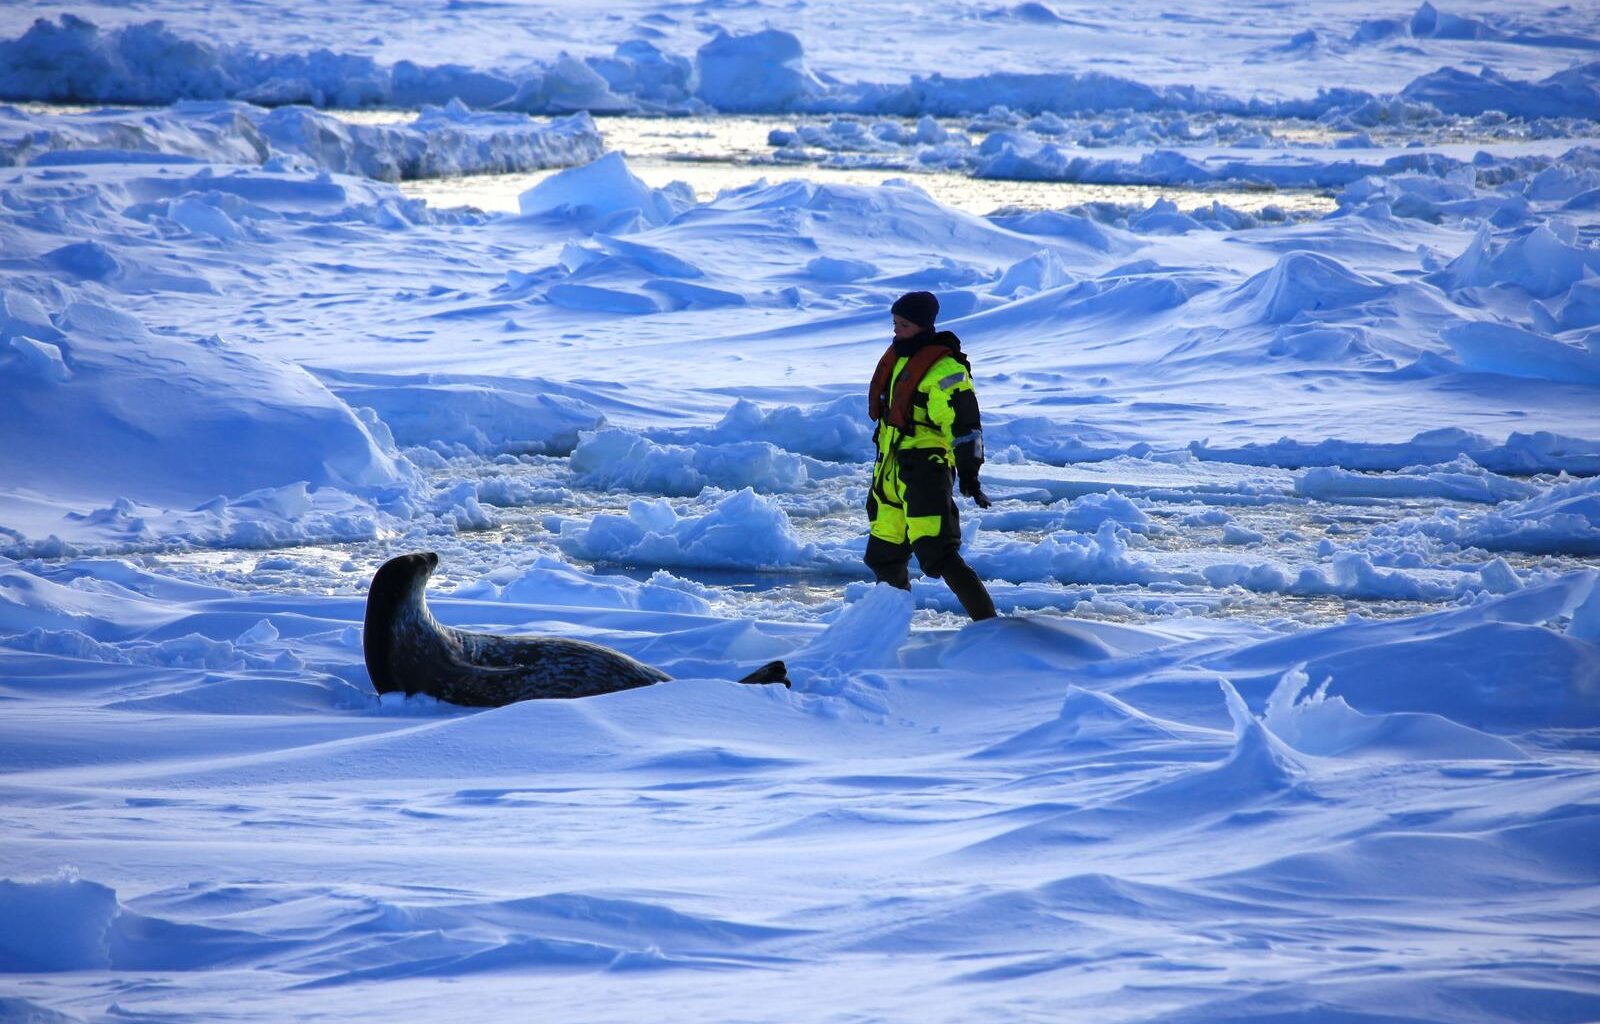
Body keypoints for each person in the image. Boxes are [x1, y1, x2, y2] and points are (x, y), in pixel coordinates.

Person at [864, 290, 997, 621]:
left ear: (923, 326)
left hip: (924, 470)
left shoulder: (945, 370)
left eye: (904, 325)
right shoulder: (898, 359)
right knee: (884, 555)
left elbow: (965, 425)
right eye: (894, 323)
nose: (896, 331)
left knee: (939, 554)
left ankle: (990, 628)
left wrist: (969, 474)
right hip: (890, 472)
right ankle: (888, 629)